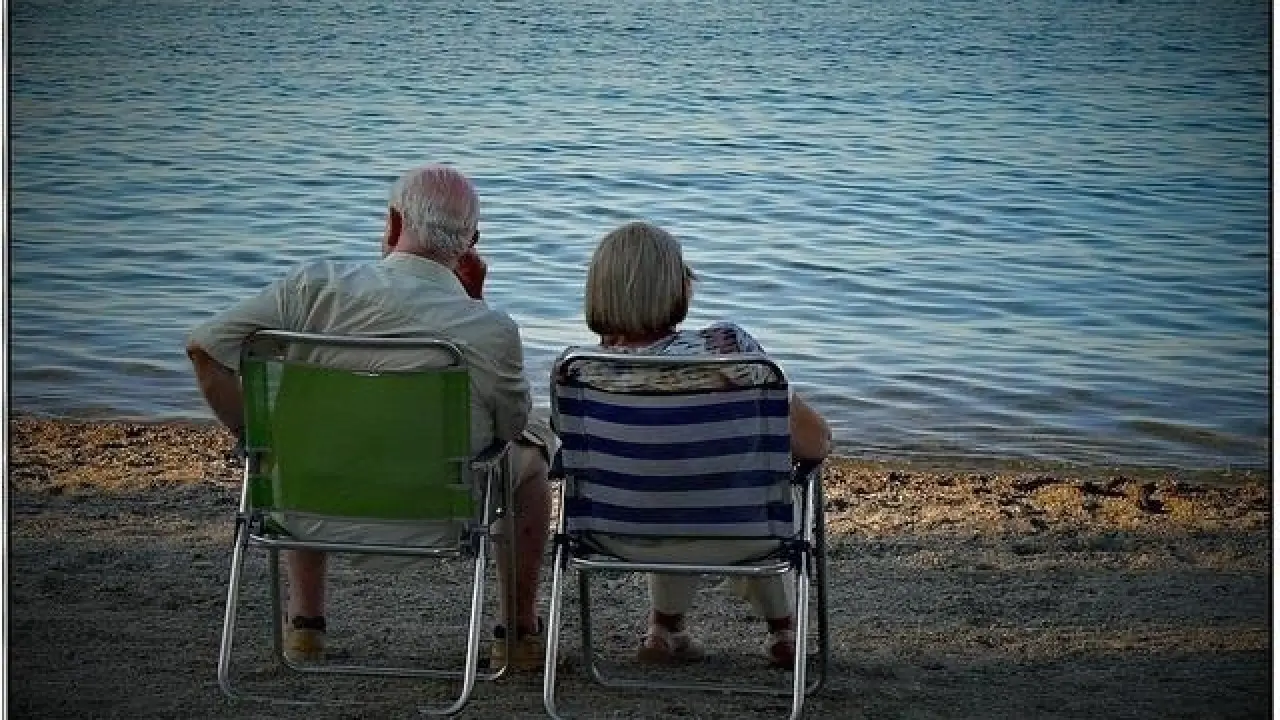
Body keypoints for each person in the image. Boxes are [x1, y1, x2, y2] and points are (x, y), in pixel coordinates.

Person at [185, 164, 554, 671]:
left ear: (394, 222)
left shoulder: (313, 288)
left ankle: (305, 627)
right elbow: (509, 426)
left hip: (309, 506)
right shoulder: (488, 327)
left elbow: (205, 349)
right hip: (436, 517)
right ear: (472, 243)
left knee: (304, 436)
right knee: (533, 455)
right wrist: (475, 305)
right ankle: (517, 633)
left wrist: (258, 441)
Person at [574, 220, 832, 667]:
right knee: (754, 480)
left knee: (666, 479)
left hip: (617, 535)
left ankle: (663, 629)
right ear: (677, 286)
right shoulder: (728, 349)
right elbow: (815, 444)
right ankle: (784, 631)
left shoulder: (580, 371)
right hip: (742, 533)